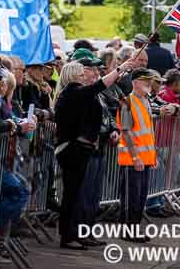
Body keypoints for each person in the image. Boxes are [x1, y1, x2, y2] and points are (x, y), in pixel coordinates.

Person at [53, 58, 132, 249]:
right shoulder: (72, 92)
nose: (84, 76)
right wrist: (121, 68)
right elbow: (100, 85)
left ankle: (79, 233)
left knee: (81, 194)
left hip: (83, 149)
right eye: (81, 74)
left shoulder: (79, 94)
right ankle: (69, 235)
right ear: (72, 76)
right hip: (72, 150)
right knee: (73, 195)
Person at [116, 68, 159, 241]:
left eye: (150, 80)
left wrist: (152, 156)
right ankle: (128, 231)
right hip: (132, 159)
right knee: (131, 199)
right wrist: (135, 157)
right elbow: (126, 132)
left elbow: (147, 132)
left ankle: (134, 230)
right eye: (145, 80)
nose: (149, 83)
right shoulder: (127, 102)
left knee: (140, 198)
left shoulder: (145, 101)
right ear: (135, 83)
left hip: (145, 158)